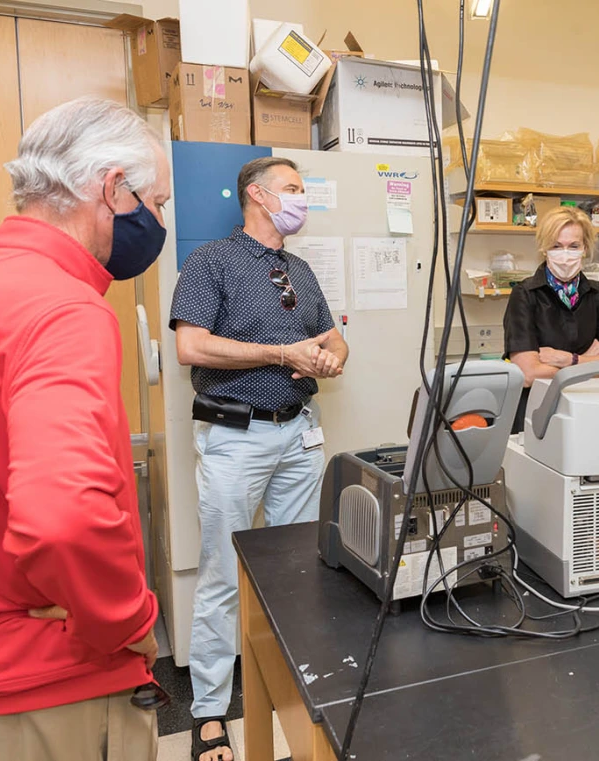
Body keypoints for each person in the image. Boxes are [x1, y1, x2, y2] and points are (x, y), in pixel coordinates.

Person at [0, 97, 167, 761]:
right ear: (113, 189)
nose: (159, 222)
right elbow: (63, 516)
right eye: (158, 204)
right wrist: (130, 621)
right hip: (49, 696)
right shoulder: (64, 311)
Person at [170, 156, 349, 761]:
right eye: (294, 190)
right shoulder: (211, 261)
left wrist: (327, 357)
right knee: (225, 572)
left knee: (301, 568)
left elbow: (332, 336)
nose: (302, 199)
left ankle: (300, 694)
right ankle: (210, 712)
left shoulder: (298, 267)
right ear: (258, 195)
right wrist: (280, 354)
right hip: (235, 438)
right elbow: (190, 346)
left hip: (298, 432)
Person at [503, 206, 599, 432]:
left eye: (573, 246)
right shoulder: (525, 294)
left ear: (585, 248)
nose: (565, 254)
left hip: (585, 409)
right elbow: (528, 374)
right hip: (535, 412)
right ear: (544, 248)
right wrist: (589, 362)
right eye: (557, 246)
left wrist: (568, 359)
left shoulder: (596, 294)